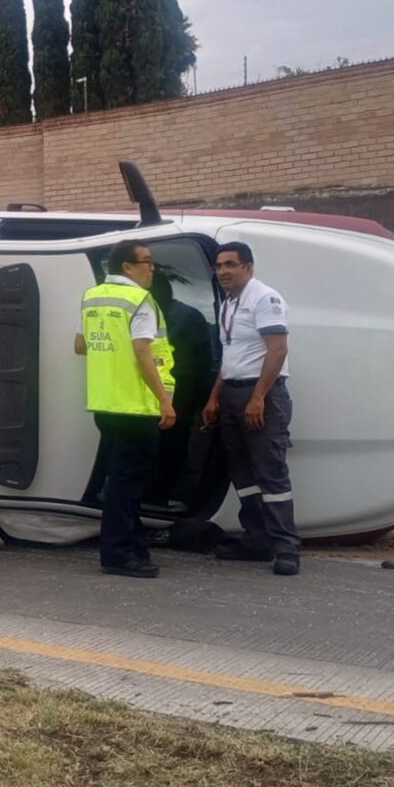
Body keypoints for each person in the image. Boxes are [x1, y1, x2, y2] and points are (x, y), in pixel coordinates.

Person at [76, 242, 177, 578]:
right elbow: (142, 351)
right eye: (146, 262)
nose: (152, 268)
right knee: (127, 484)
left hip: (105, 404)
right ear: (127, 266)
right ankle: (118, 554)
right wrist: (164, 399)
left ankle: (132, 547)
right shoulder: (139, 300)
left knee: (121, 480)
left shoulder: (92, 297)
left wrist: (110, 355)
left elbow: (80, 345)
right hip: (135, 406)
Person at [201, 241, 301, 576]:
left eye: (230, 265)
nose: (223, 271)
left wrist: (258, 397)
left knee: (270, 471)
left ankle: (286, 548)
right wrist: (215, 397)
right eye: (219, 266)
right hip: (232, 392)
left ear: (248, 267)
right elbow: (231, 356)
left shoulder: (264, 298)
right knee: (242, 471)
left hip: (262, 395)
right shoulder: (228, 303)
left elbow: (277, 351)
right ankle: (257, 540)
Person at [144, 273, 214, 510]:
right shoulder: (190, 316)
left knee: (163, 449)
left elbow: (202, 363)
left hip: (166, 397)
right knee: (172, 449)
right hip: (179, 397)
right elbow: (204, 363)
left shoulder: (144, 315)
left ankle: (155, 497)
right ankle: (161, 496)